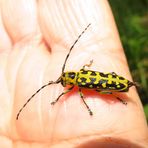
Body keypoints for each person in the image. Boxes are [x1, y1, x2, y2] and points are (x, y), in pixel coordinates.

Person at [0, 0, 147, 147]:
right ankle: (124, 87)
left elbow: (75, 95)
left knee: (103, 89)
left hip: (114, 85)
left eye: (64, 80)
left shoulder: (78, 84)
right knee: (106, 82)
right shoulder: (80, 73)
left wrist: (61, 99)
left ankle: (117, 93)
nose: (64, 82)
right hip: (115, 82)